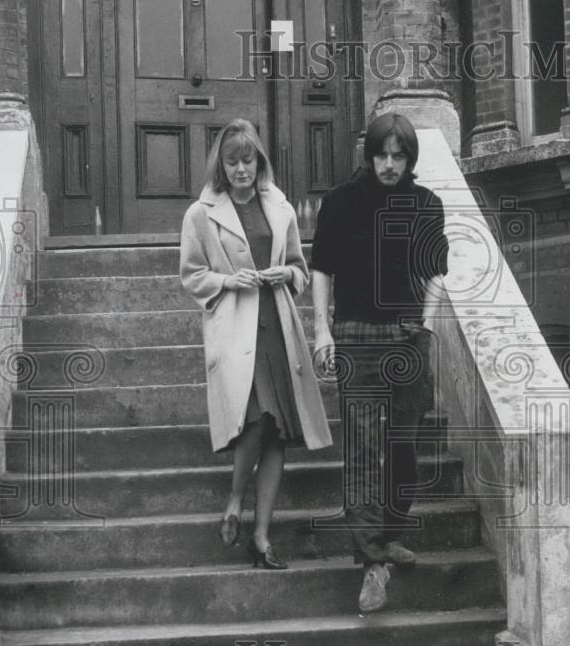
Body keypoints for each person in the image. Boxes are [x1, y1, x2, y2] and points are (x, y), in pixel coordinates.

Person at [311, 112, 448, 612]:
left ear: (410, 158)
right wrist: (321, 328)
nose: (389, 164)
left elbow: (436, 271)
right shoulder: (341, 203)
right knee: (366, 450)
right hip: (357, 336)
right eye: (382, 154)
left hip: (409, 338)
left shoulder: (426, 205)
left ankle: (387, 533)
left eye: (399, 155)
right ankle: (372, 564)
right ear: (368, 154)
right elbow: (321, 269)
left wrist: (426, 323)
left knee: (406, 446)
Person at [180, 119, 332, 569]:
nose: (242, 169)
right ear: (221, 166)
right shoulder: (201, 213)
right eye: (233, 162)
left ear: (259, 161)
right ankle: (234, 499)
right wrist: (229, 279)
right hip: (235, 327)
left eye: (249, 160)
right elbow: (191, 275)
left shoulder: (279, 205)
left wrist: (286, 274)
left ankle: (262, 537)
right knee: (256, 420)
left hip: (276, 325)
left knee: (276, 434)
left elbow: (300, 269)